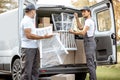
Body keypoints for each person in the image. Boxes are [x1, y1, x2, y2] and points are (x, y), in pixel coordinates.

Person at [20, 4, 53, 80]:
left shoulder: (30, 21)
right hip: (28, 49)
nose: (35, 13)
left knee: (35, 70)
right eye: (34, 11)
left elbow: (33, 33)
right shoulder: (26, 21)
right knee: (27, 71)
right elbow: (29, 35)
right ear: (32, 11)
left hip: (34, 47)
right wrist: (43, 37)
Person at [69, 6, 97, 80]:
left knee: (90, 64)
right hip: (90, 42)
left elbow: (83, 32)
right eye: (82, 11)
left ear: (89, 12)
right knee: (91, 63)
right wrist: (77, 18)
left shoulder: (89, 21)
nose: (83, 13)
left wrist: (73, 32)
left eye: (84, 11)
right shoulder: (88, 21)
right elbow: (81, 27)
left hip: (89, 43)